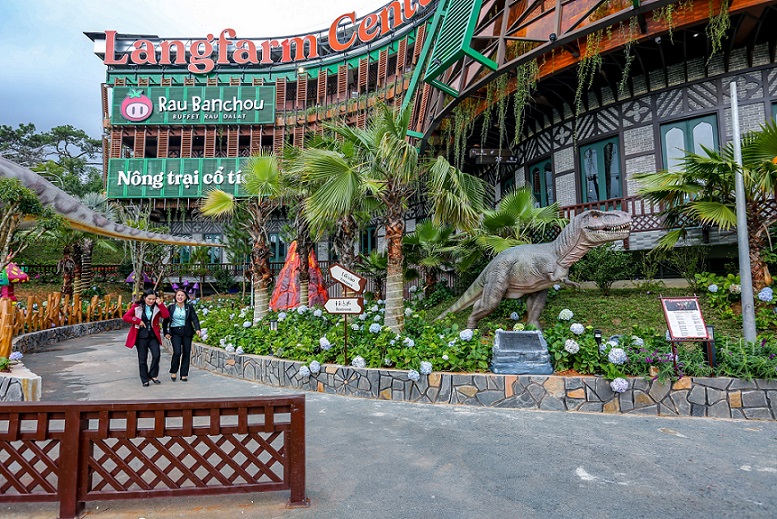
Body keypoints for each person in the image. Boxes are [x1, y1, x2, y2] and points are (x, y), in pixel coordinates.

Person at [123, 289, 170, 387]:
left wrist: (160, 304)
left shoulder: (157, 307)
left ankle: (153, 375)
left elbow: (166, 315)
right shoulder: (137, 307)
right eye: (149, 299)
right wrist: (138, 320)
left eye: (153, 299)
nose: (151, 301)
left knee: (156, 355)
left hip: (153, 336)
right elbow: (126, 317)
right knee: (142, 359)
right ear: (144, 298)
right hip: (141, 337)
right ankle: (144, 379)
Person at [163, 288, 201, 382]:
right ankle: (174, 371)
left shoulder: (189, 307)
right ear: (175, 297)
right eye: (178, 295)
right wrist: (166, 332)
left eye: (182, 295)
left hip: (187, 332)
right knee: (177, 352)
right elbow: (165, 322)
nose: (180, 297)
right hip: (175, 333)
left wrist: (198, 329)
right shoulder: (171, 307)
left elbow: (194, 319)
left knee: (186, 353)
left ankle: (184, 374)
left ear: (185, 297)